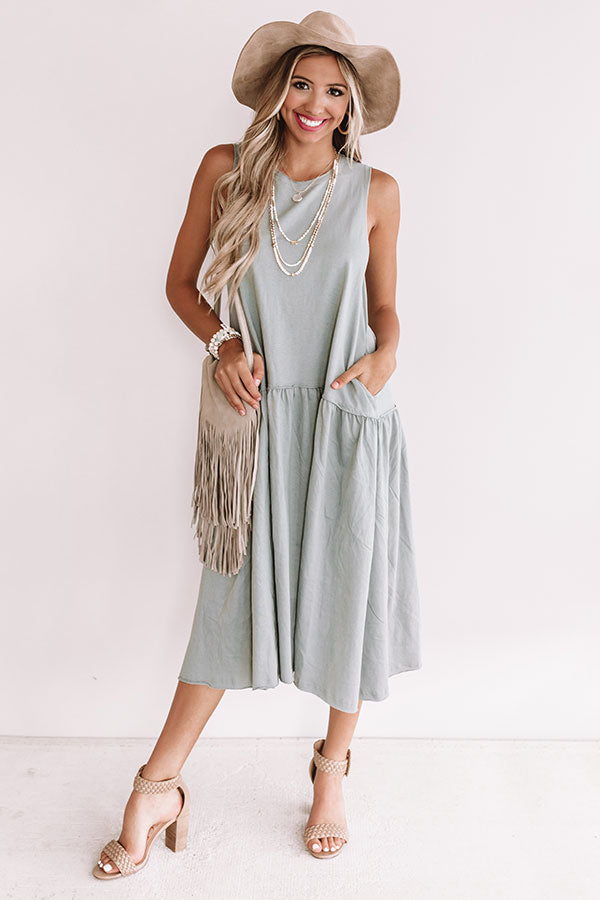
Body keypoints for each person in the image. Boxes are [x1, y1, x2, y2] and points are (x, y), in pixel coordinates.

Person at [93, 11, 421, 879]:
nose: (316, 103)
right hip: (257, 424)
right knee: (227, 603)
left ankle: (331, 772)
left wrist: (388, 352)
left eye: (335, 91)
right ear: (279, 90)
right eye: (303, 84)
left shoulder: (377, 191)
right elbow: (180, 285)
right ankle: (158, 787)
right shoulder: (225, 171)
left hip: (347, 416)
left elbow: (385, 308)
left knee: (347, 593)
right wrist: (223, 343)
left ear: (351, 107)